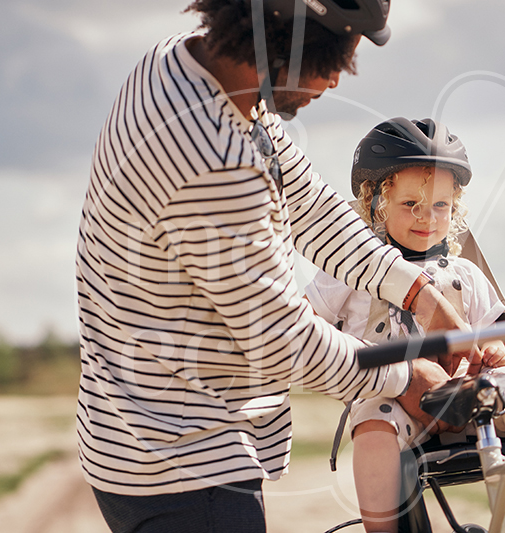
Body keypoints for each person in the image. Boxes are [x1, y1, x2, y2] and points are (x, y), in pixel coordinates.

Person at [74, 2, 471, 532]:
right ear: (286, 30)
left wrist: (419, 291)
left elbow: (305, 202)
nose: (334, 79)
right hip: (185, 465)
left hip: (147, 435)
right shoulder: (211, 157)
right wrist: (403, 378)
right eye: (333, 57)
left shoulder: (183, 68)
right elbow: (282, 338)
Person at [304, 117, 505, 532]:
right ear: (375, 202)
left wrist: (501, 353)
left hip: (473, 395)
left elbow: (498, 328)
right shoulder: (348, 271)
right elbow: (304, 321)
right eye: (410, 204)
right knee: (372, 423)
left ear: (456, 207)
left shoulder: (465, 272)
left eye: (441, 205)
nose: (426, 217)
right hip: (394, 397)